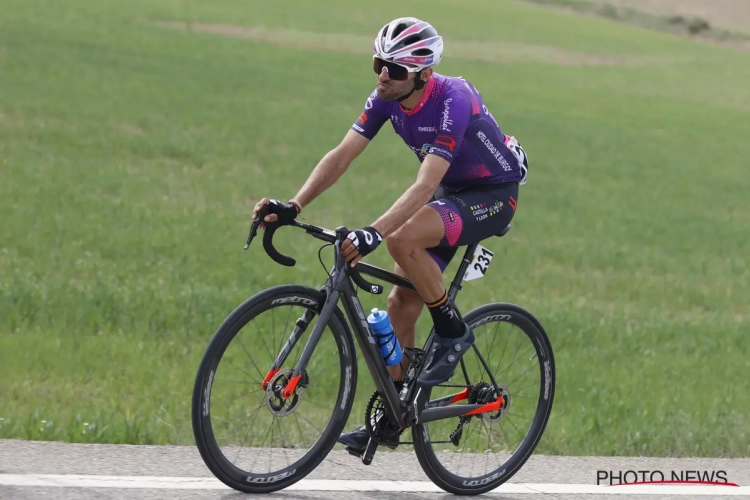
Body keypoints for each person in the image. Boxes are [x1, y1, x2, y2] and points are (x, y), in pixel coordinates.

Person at [252, 17, 529, 454]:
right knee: (400, 301)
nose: (383, 74)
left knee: (400, 239)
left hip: (491, 194)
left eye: (396, 69)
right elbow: (343, 154)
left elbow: (423, 186)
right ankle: (396, 413)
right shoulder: (386, 96)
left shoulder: (452, 98)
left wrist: (372, 234)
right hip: (452, 192)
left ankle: (453, 332)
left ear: (423, 75)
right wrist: (294, 204)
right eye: (379, 63)